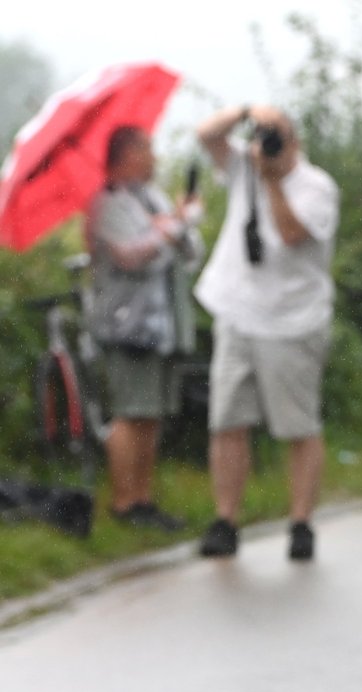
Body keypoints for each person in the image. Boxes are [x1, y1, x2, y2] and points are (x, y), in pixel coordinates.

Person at [192, 104, 339, 560]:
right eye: (266, 137)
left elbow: (293, 234)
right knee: (227, 422)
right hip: (238, 312)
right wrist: (245, 112)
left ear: (295, 141)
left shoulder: (317, 186)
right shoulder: (243, 166)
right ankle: (225, 520)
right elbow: (205, 134)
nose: (271, 146)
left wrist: (272, 180)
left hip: (292, 320)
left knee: (297, 426)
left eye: (279, 137)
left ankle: (300, 523)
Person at [85, 124, 203, 530]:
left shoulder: (150, 199)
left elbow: (187, 254)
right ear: (127, 155)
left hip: (160, 325)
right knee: (129, 412)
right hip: (127, 324)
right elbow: (133, 256)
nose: (154, 157)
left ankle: (144, 500)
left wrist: (181, 225)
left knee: (151, 414)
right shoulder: (108, 203)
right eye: (147, 149)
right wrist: (175, 226)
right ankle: (123, 503)